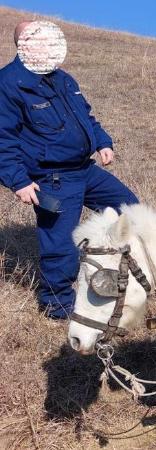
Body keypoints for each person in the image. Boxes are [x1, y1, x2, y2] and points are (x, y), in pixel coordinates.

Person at [0, 21, 138, 319]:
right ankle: (57, 306)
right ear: (23, 45)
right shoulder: (9, 84)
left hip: (85, 170)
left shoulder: (63, 79)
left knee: (131, 211)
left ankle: (118, 274)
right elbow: (3, 139)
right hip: (53, 179)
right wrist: (18, 182)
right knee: (60, 245)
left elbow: (85, 114)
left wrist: (102, 141)